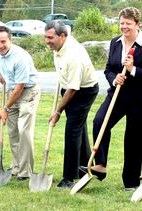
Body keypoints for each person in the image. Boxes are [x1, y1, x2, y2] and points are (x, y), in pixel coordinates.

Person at [79, 7, 142, 191]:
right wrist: (114, 78)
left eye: (128, 24)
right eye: (121, 23)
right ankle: (100, 165)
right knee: (99, 121)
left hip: (141, 98)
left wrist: (132, 69)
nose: (124, 27)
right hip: (118, 94)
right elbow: (108, 68)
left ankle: (131, 182)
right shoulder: (115, 42)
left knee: (133, 138)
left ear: (137, 24)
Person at [44, 21, 99, 188]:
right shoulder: (58, 46)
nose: (47, 41)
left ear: (62, 36)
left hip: (83, 91)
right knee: (79, 128)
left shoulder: (74, 55)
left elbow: (74, 88)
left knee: (72, 131)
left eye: (50, 38)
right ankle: (86, 167)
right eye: (45, 37)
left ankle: (69, 178)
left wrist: (58, 111)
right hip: (69, 87)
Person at [0, 26, 40, 181]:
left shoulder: (21, 57)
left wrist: (5, 107)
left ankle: (25, 171)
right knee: (12, 131)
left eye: (3, 42)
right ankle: (16, 166)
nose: (0, 46)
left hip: (27, 92)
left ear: (10, 40)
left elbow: (20, 86)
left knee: (24, 131)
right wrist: (1, 74)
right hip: (12, 90)